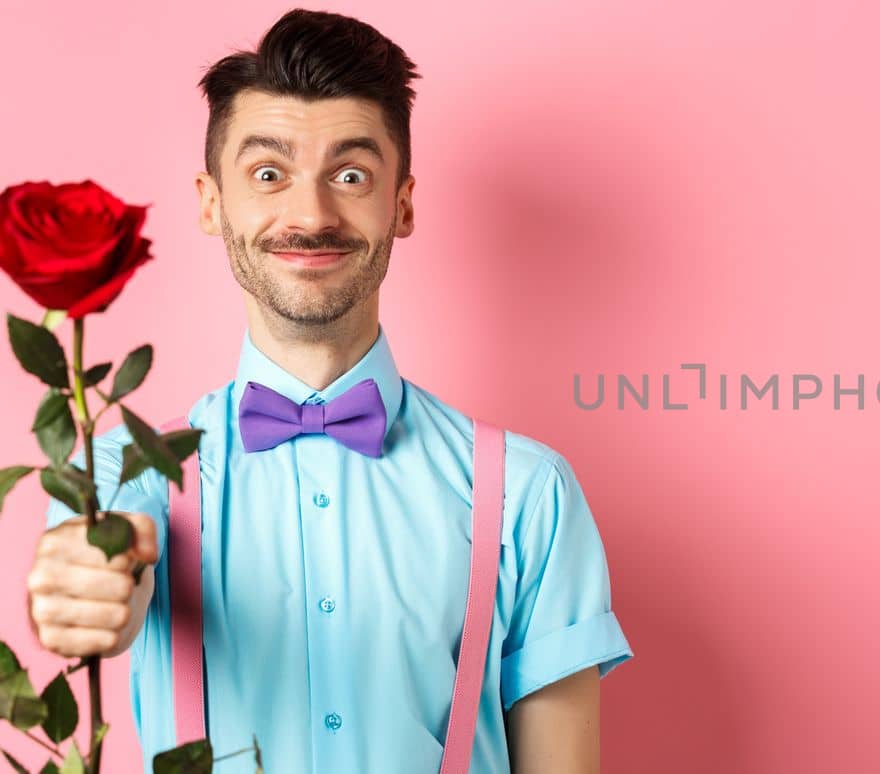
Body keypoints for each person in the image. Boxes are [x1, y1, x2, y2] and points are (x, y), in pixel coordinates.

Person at [22, 8, 632, 773]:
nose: (310, 215)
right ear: (212, 203)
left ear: (401, 204)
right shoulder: (119, 473)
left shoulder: (530, 493)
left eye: (350, 175)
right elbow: (97, 590)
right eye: (268, 174)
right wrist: (83, 592)